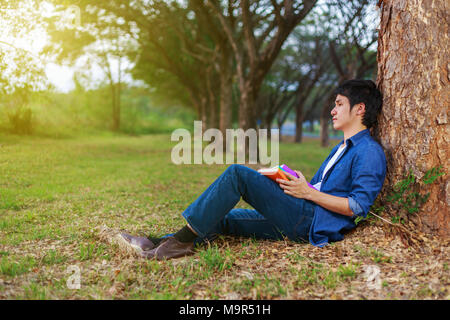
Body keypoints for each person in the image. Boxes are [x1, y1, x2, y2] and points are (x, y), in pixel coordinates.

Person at [117, 79, 386, 260]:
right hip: (302, 212)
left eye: (339, 104)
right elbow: (319, 189)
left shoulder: (369, 152)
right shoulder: (344, 146)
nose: (332, 110)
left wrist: (309, 193)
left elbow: (358, 206)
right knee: (224, 217)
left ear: (359, 108)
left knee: (237, 174)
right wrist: (290, 181)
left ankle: (177, 246)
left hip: (311, 223)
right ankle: (157, 241)